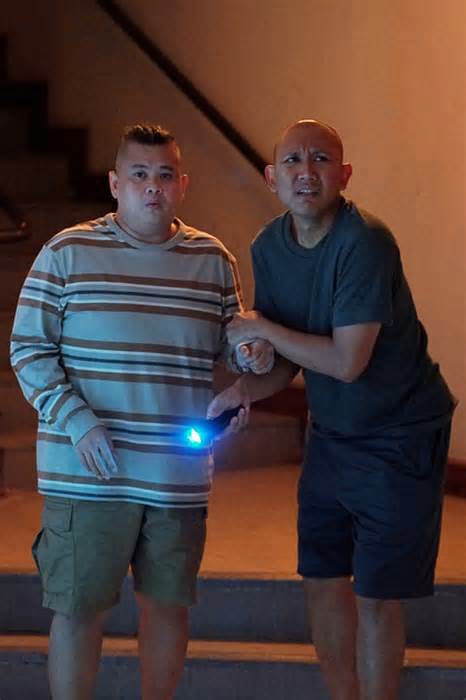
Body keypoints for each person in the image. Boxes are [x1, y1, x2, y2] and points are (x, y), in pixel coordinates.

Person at [10, 123, 271, 700]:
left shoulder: (212, 259)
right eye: (139, 174)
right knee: (79, 609)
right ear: (115, 183)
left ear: (182, 184)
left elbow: (233, 346)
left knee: (168, 609)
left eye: (164, 175)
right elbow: (27, 349)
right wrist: (77, 421)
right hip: (86, 473)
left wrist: (251, 360)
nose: (153, 186)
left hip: (175, 475)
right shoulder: (67, 252)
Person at [208, 119, 455, 700]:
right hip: (333, 433)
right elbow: (288, 358)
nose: (305, 171)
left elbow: (346, 361)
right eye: (292, 161)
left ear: (344, 176)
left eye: (320, 160)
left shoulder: (366, 242)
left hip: (399, 433)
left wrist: (262, 327)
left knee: (375, 593)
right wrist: (243, 391)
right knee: (321, 578)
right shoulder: (269, 246)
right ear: (271, 177)